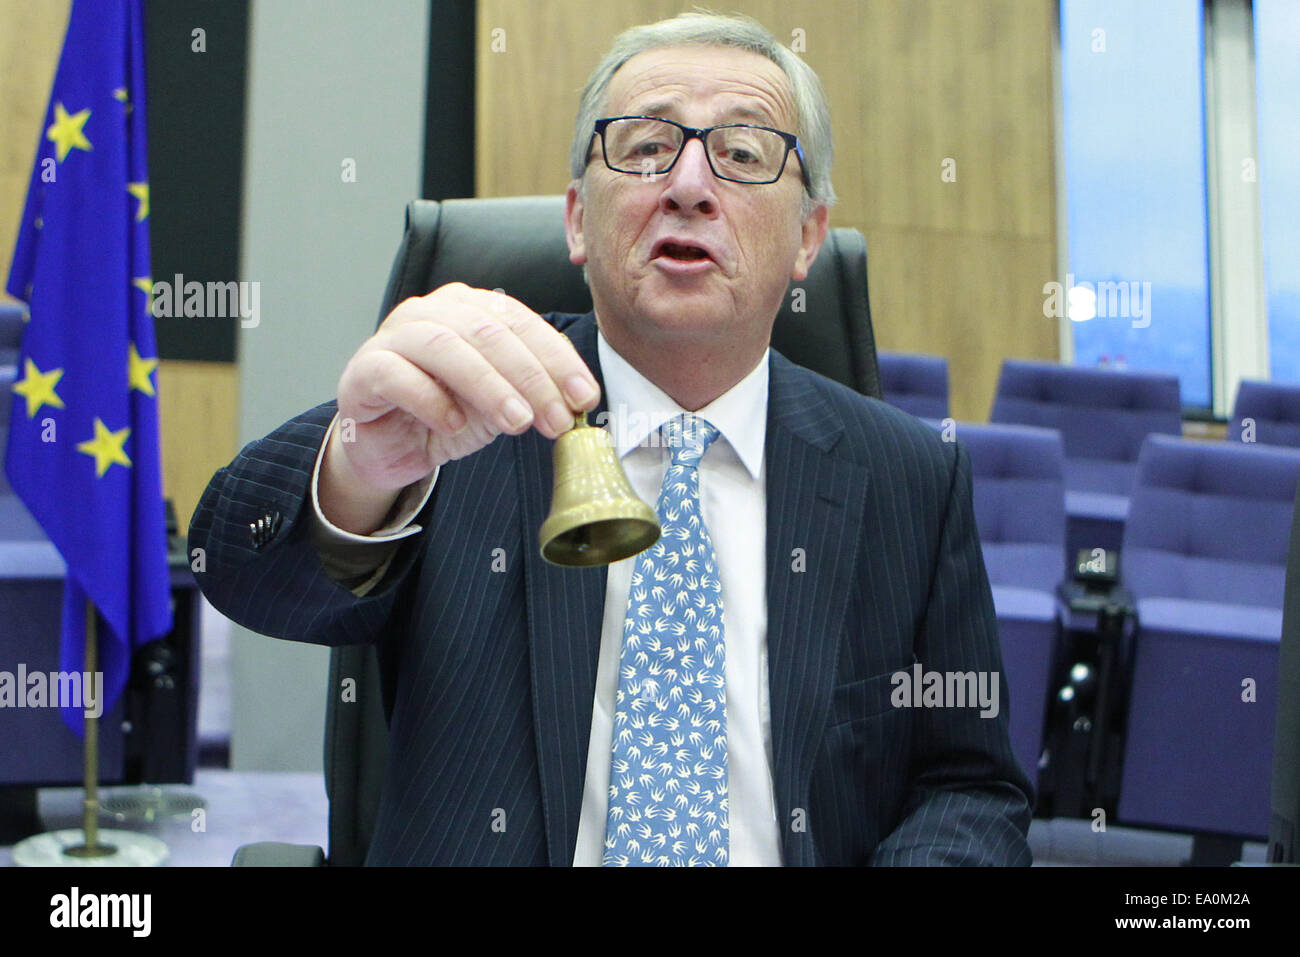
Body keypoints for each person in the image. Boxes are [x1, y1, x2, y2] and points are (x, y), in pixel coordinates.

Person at [190, 12, 1033, 866]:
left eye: (743, 154)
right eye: (643, 146)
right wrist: (365, 468)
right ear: (578, 221)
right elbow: (238, 571)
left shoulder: (909, 478)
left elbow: (968, 785)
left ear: (808, 237)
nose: (690, 185)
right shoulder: (464, 420)